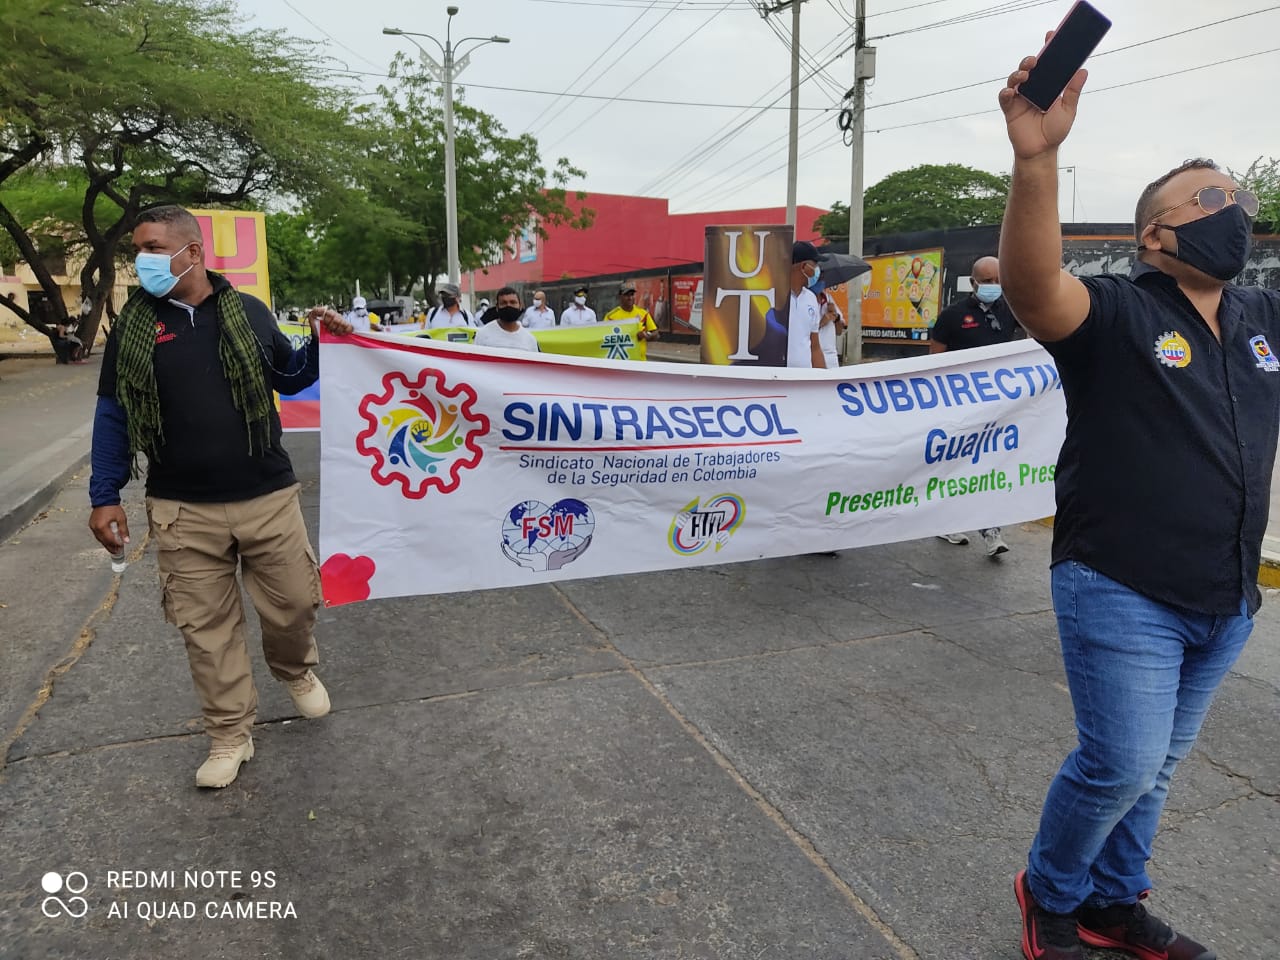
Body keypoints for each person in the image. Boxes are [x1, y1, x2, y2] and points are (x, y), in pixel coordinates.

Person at [998, 43, 1271, 960]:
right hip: (1121, 583)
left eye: (1237, 198)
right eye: (1208, 199)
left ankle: (1114, 904)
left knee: (1154, 770)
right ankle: (1051, 894)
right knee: (1117, 763)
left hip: (1227, 595)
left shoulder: (1259, 320)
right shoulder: (1116, 312)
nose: (1232, 210)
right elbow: (1036, 287)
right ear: (1155, 234)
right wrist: (1036, 160)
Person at [87, 204, 353, 790]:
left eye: (154, 248)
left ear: (193, 252)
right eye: (139, 249)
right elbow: (113, 413)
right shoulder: (132, 328)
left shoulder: (250, 314)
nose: (143, 261)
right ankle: (231, 734)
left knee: (295, 604)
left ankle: (295, 670)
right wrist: (103, 494)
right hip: (181, 507)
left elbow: (290, 376)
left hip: (266, 495)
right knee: (205, 630)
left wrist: (321, 340)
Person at [930, 255, 1022, 558]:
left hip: (999, 405)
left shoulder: (1010, 312)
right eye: (987, 281)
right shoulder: (952, 316)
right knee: (958, 466)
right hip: (961, 407)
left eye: (998, 281)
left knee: (991, 465)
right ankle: (947, 520)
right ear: (973, 283)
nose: (993, 287)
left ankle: (990, 529)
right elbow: (935, 362)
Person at [786, 241, 825, 369]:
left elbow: (815, 347)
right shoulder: (774, 297)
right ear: (804, 267)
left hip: (803, 381)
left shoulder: (811, 298)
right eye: (815, 265)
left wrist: (823, 381)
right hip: (777, 381)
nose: (817, 271)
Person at [474, 286, 540, 352]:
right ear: (497, 307)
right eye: (504, 303)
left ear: (520, 306)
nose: (508, 306)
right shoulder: (483, 335)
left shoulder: (530, 340)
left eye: (513, 302)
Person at [815, 286, 846, 369]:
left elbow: (839, 332)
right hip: (814, 354)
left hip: (831, 355)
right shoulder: (807, 299)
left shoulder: (829, 298)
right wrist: (821, 323)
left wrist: (836, 316)